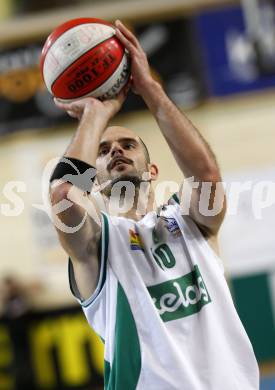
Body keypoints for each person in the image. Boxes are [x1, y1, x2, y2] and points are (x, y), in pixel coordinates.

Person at [50, 20, 259, 390]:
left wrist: (151, 92)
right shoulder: (96, 243)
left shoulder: (191, 219)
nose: (115, 149)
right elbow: (65, 195)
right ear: (93, 181)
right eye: (102, 150)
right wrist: (95, 117)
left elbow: (207, 176)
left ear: (153, 169)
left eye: (128, 145)